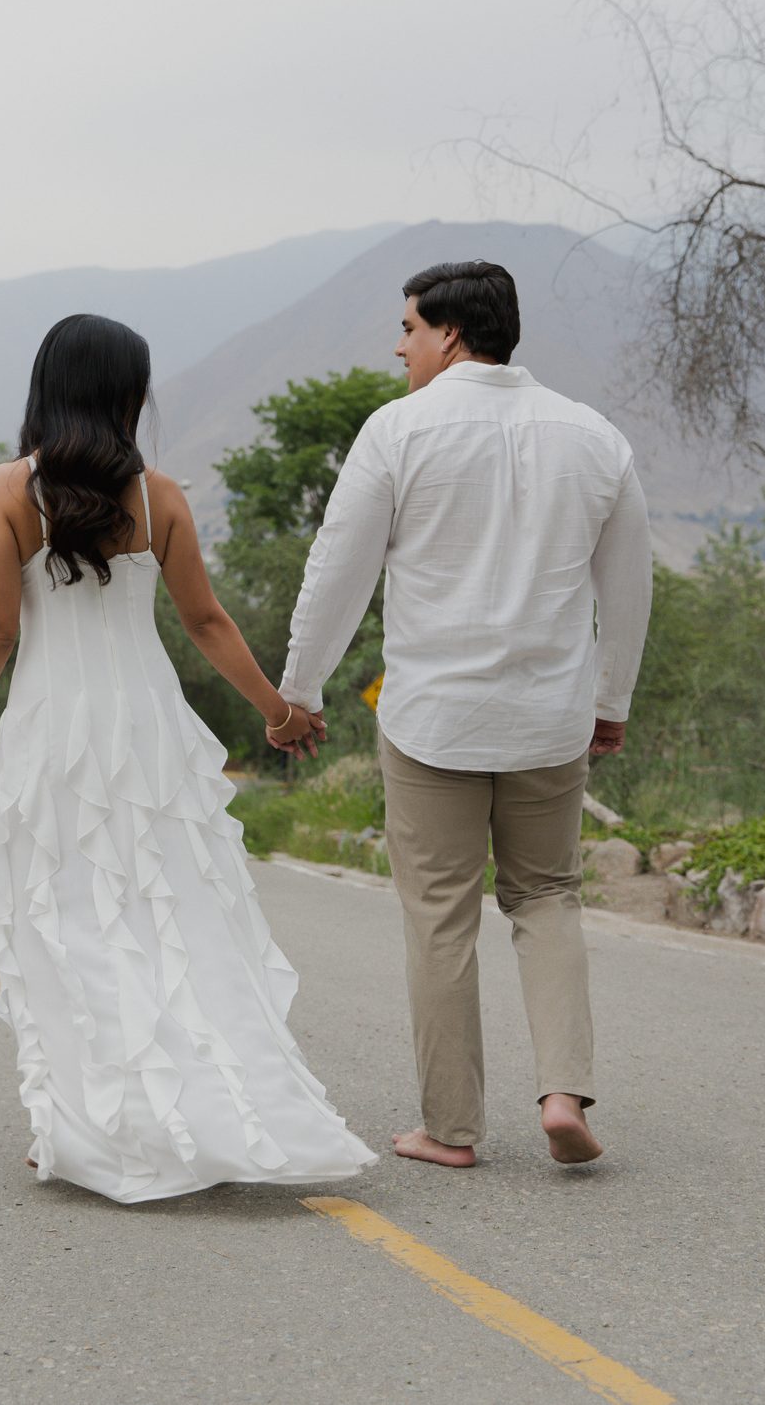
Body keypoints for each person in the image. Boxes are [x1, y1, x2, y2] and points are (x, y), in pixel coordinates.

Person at [0, 313, 376, 1202]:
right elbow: (206, 623)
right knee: (173, 917)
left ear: (47, 386)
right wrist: (279, 711)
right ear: (128, 394)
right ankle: (210, 1108)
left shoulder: (5, 491)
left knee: (70, 922)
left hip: (56, 731)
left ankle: (95, 1120)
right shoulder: (160, 496)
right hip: (150, 731)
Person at [272, 260, 653, 1170]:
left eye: (407, 328)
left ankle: (450, 1129)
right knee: (547, 895)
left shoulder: (398, 431)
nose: (399, 347)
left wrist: (301, 689)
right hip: (549, 720)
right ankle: (563, 1092)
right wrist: (612, 699)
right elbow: (629, 584)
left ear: (448, 333)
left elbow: (339, 571)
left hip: (433, 719)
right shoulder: (594, 436)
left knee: (441, 913)